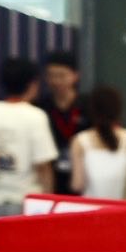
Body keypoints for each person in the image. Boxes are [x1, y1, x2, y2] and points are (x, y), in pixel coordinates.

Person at [0, 57, 58, 234]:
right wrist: (49, 203)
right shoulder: (35, 116)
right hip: (28, 203)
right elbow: (43, 167)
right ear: (32, 84)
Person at [71, 86, 126, 200]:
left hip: (92, 208)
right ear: (119, 110)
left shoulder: (80, 141)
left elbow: (77, 184)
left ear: (92, 111)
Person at [37, 50, 85, 195]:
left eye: (62, 75)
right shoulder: (40, 108)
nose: (56, 81)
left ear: (75, 76)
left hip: (83, 178)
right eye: (51, 76)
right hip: (51, 177)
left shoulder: (88, 106)